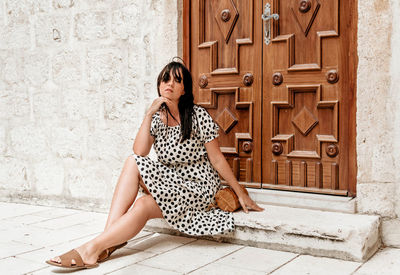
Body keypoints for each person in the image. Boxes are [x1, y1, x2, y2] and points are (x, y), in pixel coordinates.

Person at [46, 59, 263, 269]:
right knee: (133, 161)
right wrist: (149, 114)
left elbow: (216, 159)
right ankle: (103, 244)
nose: (169, 83)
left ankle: (94, 248)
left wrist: (239, 191)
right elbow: (140, 152)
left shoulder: (198, 116)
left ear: (184, 90)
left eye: (176, 80)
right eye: (165, 79)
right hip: (171, 182)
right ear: (159, 85)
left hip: (198, 186)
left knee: (142, 205)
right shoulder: (158, 118)